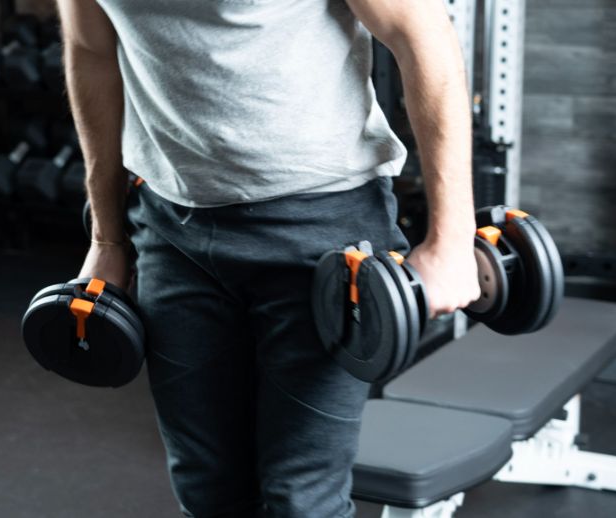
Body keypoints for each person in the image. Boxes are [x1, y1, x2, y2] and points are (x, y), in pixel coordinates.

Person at [57, 0, 480, 516]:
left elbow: (423, 35)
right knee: (207, 486)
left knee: (300, 498)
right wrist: (107, 240)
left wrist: (453, 240)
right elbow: (91, 52)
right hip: (171, 230)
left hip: (324, 232)